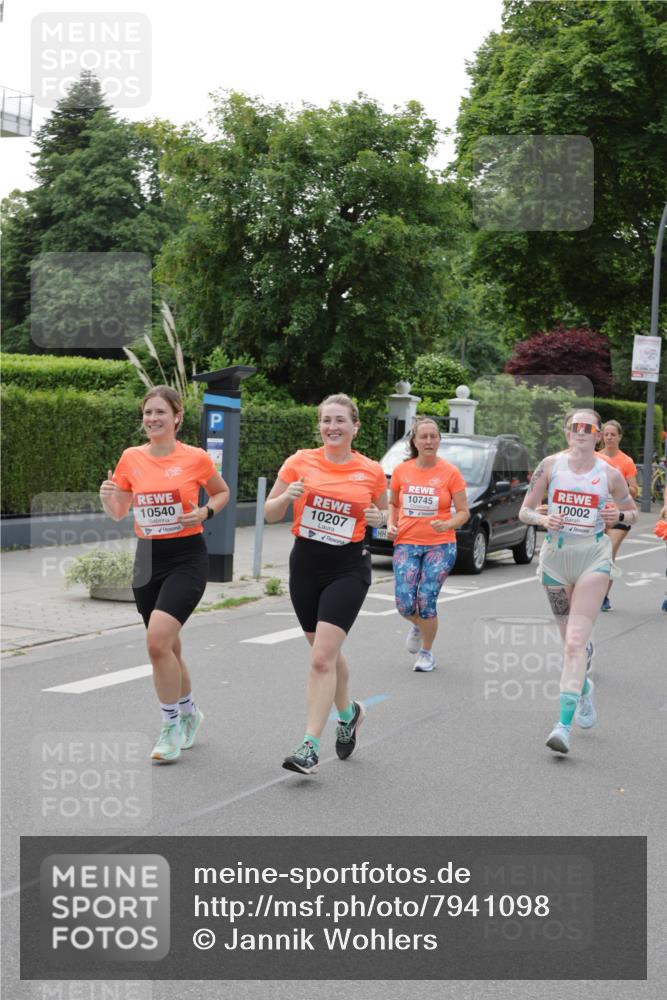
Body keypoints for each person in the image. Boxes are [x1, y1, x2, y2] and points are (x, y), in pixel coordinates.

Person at [100, 386, 229, 763]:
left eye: (160, 412)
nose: (152, 419)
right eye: (147, 413)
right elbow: (119, 512)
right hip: (147, 559)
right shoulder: (131, 457)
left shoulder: (196, 458)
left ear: (177, 417)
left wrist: (206, 512)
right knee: (168, 648)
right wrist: (108, 495)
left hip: (187, 558)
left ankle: (169, 726)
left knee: (157, 643)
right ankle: (190, 712)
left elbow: (221, 493)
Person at [264, 393, 387, 775]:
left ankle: (309, 747)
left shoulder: (370, 470)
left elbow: (385, 516)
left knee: (320, 659)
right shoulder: (300, 461)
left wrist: (377, 516)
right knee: (326, 653)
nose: (332, 427)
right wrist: (286, 495)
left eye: (340, 420)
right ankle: (350, 714)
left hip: (348, 566)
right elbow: (270, 514)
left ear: (355, 426)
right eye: (326, 420)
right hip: (305, 564)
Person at [519, 408, 638, 755]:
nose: (581, 432)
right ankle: (583, 689)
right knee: (568, 643)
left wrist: (618, 515)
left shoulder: (610, 473)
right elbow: (525, 510)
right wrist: (543, 520)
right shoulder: (550, 466)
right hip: (556, 561)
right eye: (575, 427)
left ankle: (562, 726)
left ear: (599, 435)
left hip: (593, 558)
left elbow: (631, 511)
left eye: (588, 428)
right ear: (567, 432)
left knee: (574, 643)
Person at [386, 417, 469, 672]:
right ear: (415, 440)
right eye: (424, 436)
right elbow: (394, 503)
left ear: (439, 441)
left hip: (440, 545)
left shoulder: (450, 472)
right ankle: (418, 624)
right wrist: (391, 523)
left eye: (434, 436)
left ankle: (426, 653)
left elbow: (463, 511)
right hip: (407, 543)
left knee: (426, 598)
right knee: (404, 602)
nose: (429, 441)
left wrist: (449, 524)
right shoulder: (402, 470)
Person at [596, 419, 639, 611]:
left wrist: (619, 485)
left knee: (608, 553)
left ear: (619, 437)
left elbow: (635, 491)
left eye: (613, 434)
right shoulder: (594, 458)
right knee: (594, 555)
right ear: (601, 436)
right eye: (606, 434)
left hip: (620, 515)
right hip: (598, 515)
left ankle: (603, 596)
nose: (609, 438)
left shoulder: (626, 461)